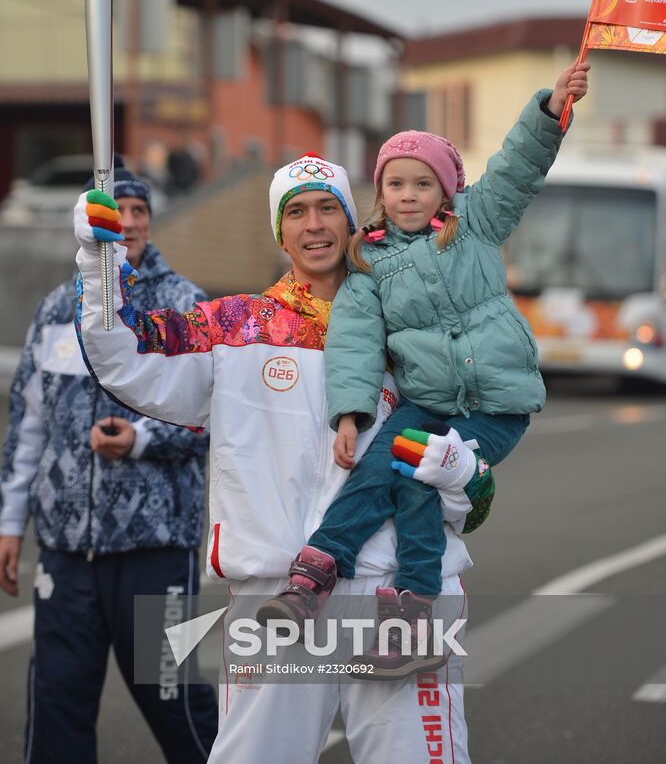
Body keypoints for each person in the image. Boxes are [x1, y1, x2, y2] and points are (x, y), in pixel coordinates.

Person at [72, 152, 483, 764]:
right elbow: (124, 354)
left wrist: (460, 473)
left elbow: (481, 467)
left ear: (351, 223)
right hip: (279, 593)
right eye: (296, 212)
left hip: (400, 588)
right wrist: (99, 260)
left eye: (327, 209)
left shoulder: (415, 328)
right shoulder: (236, 329)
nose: (313, 224)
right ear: (279, 230)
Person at [259, 63, 590, 676]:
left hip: (496, 404)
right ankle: (313, 576)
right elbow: (354, 344)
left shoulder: (477, 226)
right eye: (395, 185)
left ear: (447, 192)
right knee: (377, 465)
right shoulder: (368, 264)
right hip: (427, 400)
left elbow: (518, 167)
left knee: (421, 476)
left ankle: (415, 618)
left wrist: (550, 108)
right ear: (378, 194)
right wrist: (352, 415)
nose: (407, 196)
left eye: (421, 185)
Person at [0, 167, 218, 764]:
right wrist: (10, 523)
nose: (128, 220)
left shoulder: (185, 306)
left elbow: (213, 416)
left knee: (170, 695)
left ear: (150, 219)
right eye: (115, 208)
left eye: (138, 209)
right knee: (57, 702)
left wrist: (143, 440)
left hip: (154, 545)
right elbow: (28, 424)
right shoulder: (53, 311)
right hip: (68, 549)